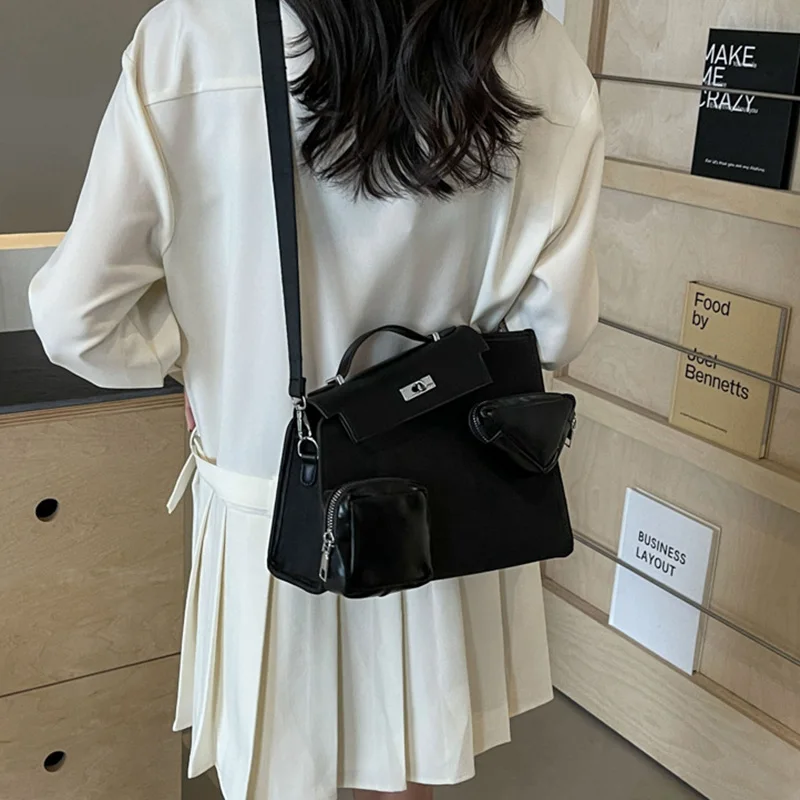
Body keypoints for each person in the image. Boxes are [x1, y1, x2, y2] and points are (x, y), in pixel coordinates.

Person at [28, 0, 604, 798]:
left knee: (283, 768)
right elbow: (555, 330)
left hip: (273, 511)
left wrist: (196, 357)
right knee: (411, 763)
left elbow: (76, 322)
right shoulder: (541, 53)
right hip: (448, 498)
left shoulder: (192, 38)